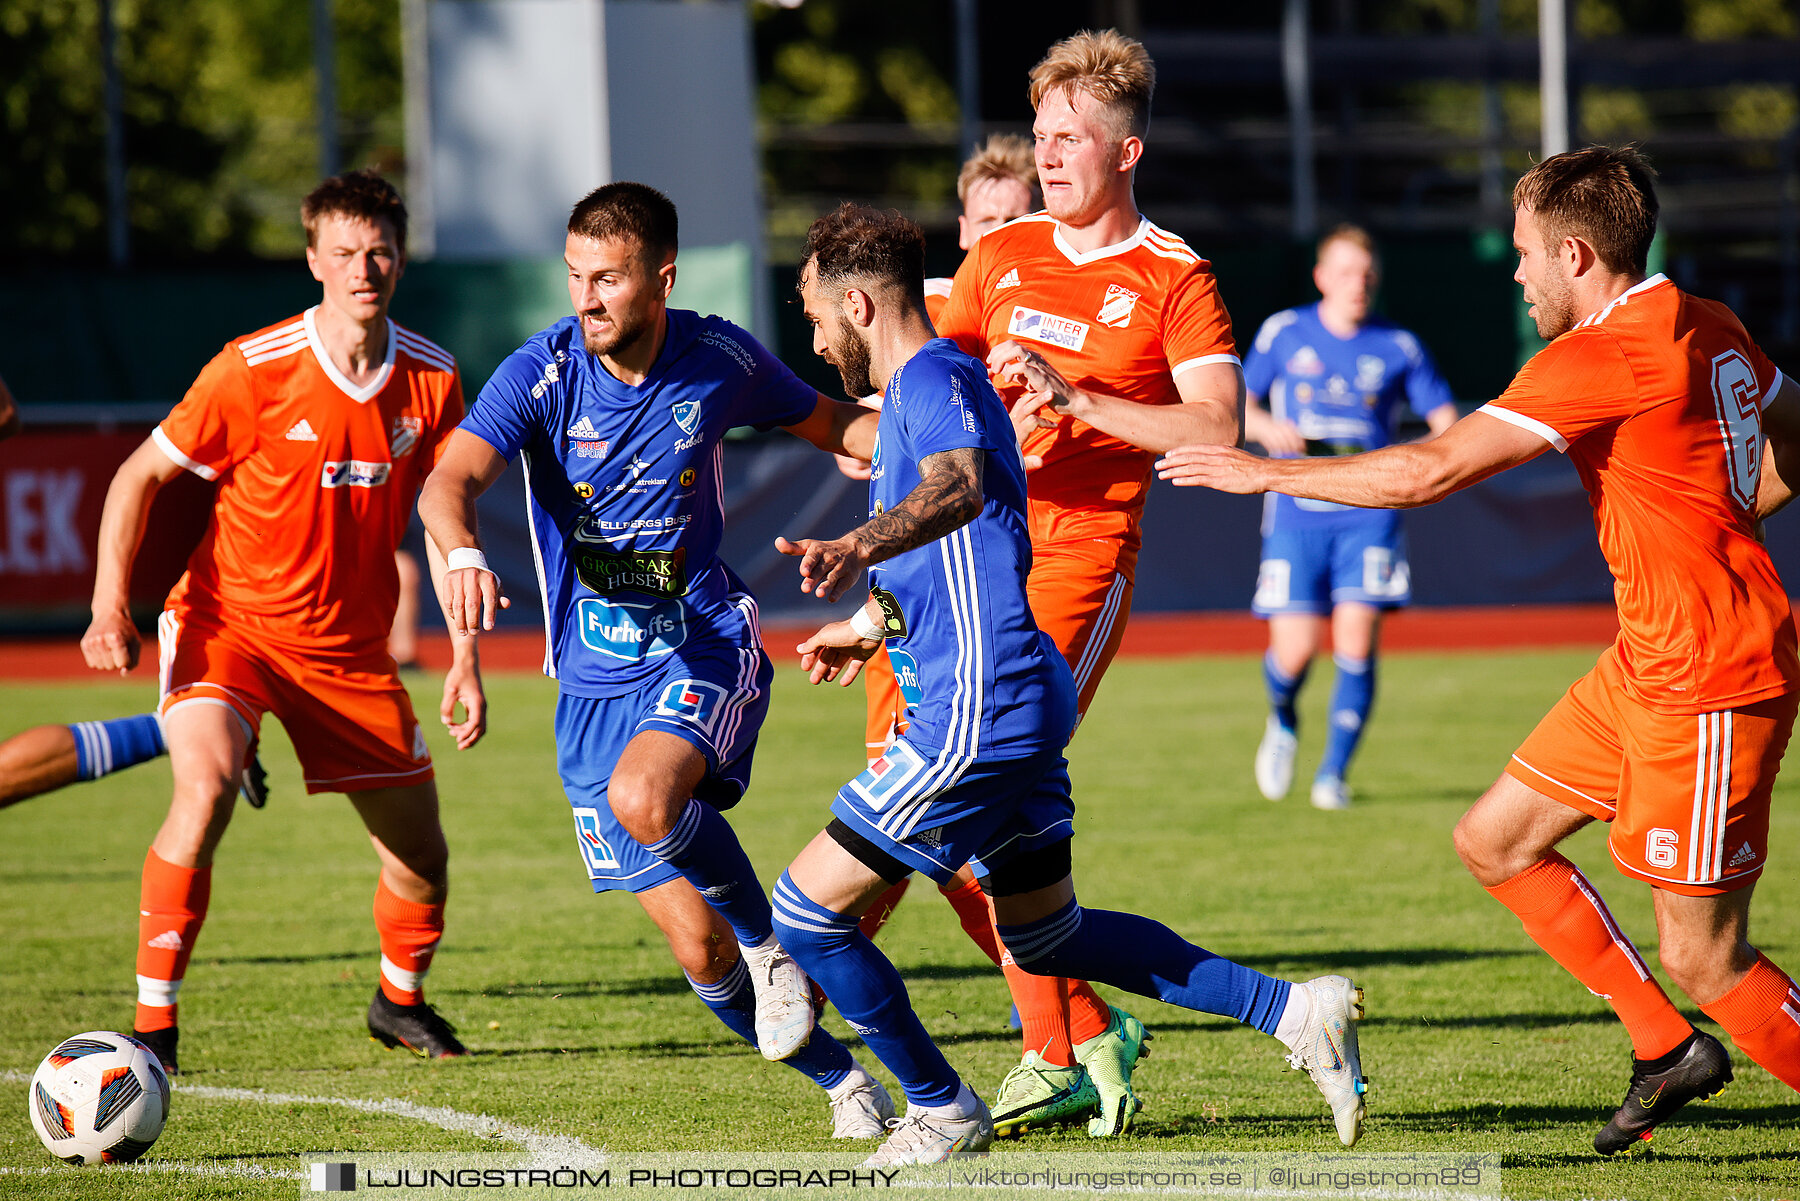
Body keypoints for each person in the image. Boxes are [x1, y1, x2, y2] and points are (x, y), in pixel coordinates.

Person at [1158, 145, 1800, 1153]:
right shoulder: (1708, 322)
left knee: (1707, 957)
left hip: (1712, 677)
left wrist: (1262, 473)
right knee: (1495, 841)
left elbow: (1428, 470)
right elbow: (1794, 421)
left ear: (1578, 253)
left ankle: (1691, 1025)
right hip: (1647, 661)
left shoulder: (1604, 352)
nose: (1515, 273)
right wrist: (1737, 512)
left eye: (1526, 253)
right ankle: (1667, 1050)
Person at [770, 202, 1366, 1164]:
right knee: (1050, 938)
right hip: (1007, 693)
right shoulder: (930, 388)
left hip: (979, 708)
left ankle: (939, 1106)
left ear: (855, 302)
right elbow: (972, 548)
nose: (815, 338)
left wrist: (856, 541)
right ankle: (1297, 1010)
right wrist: (868, 623)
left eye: (814, 316)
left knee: (803, 914)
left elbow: (961, 486)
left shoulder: (937, 379)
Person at [421, 182, 897, 1139]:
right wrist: (464, 549)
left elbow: (831, 424)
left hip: (702, 639)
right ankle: (844, 1083)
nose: (586, 297)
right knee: (695, 943)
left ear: (661, 279)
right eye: (574, 277)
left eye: (607, 278)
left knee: (653, 805)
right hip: (589, 689)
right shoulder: (544, 372)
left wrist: (934, 438)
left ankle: (774, 948)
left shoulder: (717, 355)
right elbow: (448, 479)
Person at [80, 170, 484, 1074]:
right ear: (313, 260)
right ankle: (153, 1030)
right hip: (231, 627)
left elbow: (452, 514)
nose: (362, 267)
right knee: (206, 785)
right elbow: (134, 478)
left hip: (351, 655)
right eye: (343, 252)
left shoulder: (432, 377)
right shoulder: (251, 369)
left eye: (378, 250)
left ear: (401, 257)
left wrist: (463, 655)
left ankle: (398, 1000)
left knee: (421, 855)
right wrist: (110, 604)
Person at [930, 28, 1244, 1136]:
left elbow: (1218, 423)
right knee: (948, 823)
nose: (1050, 155)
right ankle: (1075, 1035)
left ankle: (1075, 1037)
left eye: (1072, 139)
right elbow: (937, 375)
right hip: (971, 556)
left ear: (1127, 151)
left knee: (953, 801)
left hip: (1079, 558)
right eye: (1045, 136)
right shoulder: (1004, 253)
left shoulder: (1174, 276)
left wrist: (1079, 401)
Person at [842, 136, 1039, 965]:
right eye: (987, 219)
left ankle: (813, 957)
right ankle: (1074, 1021)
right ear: (963, 226)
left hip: (987, 592)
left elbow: (969, 480)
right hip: (909, 597)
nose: (1000, 232)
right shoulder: (924, 322)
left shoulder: (1029, 325)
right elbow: (865, 434)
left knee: (909, 814)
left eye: (1018, 217)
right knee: (948, 827)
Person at [1240, 226, 1458, 810]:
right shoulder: (1285, 332)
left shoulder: (1399, 345)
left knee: (1356, 643)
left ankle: (1333, 774)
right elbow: (1237, 398)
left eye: (1366, 274)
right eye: (1344, 272)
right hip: (1296, 509)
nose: (1356, 284)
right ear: (1320, 277)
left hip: (1369, 514)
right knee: (1294, 651)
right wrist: (1263, 428)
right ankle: (1283, 719)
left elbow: (1445, 423)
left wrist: (1434, 463)